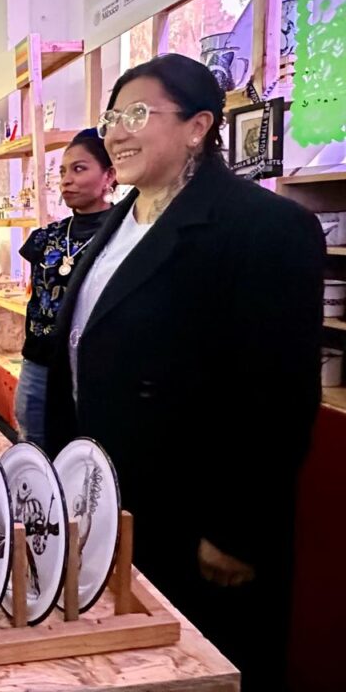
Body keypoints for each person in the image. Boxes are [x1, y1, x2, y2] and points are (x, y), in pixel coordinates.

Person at [45, 54, 324, 690]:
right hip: (116, 495)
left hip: (198, 510)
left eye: (138, 114)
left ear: (198, 126)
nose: (117, 131)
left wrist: (238, 530)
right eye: (112, 117)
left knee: (204, 665)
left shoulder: (264, 226)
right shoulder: (120, 221)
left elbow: (278, 393)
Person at [14, 129, 115, 446]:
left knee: (86, 448)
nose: (66, 180)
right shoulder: (47, 237)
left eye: (79, 169)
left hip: (93, 366)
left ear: (109, 175)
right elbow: (36, 295)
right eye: (62, 172)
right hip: (39, 361)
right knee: (33, 444)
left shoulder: (123, 235)